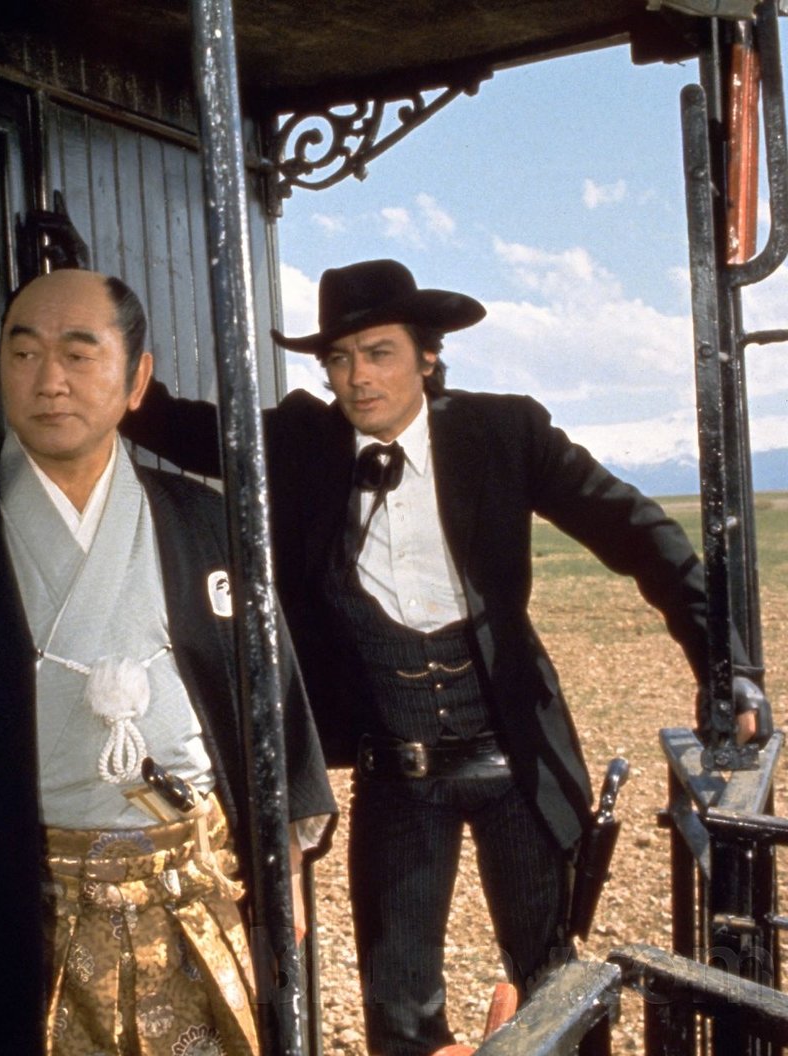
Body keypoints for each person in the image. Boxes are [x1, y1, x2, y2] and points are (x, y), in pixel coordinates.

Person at [123, 258, 765, 1055]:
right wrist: (88, 316)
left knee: (556, 988)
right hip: (397, 777)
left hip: (517, 766)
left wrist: (726, 667)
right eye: (340, 358)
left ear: (427, 355)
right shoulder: (297, 444)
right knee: (396, 1009)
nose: (358, 376)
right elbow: (167, 422)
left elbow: (639, 532)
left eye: (379, 352)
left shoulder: (503, 432)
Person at [0, 268, 335, 1054]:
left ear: (137, 378)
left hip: (197, 894)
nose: (49, 381)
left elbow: (276, 715)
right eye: (24, 354)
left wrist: (281, 888)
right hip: (20, 903)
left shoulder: (209, 524)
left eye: (79, 355)